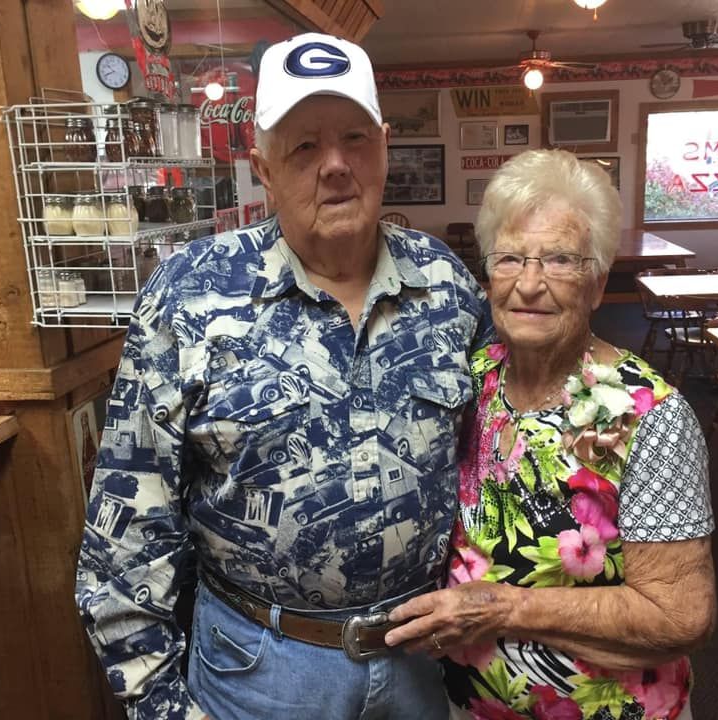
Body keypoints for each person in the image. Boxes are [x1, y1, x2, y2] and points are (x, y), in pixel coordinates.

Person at [75, 32, 492, 720]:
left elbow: (497, 459)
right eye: (304, 146)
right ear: (263, 168)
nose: (336, 165)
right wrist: (159, 703)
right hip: (259, 670)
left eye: (355, 138)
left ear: (386, 147)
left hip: (422, 660)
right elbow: (128, 521)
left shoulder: (445, 283)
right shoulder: (190, 295)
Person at [384, 149, 717, 720]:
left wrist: (504, 609)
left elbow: (680, 616)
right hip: (467, 705)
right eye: (510, 258)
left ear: (596, 285)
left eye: (560, 260)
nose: (529, 284)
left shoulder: (650, 415)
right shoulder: (470, 383)